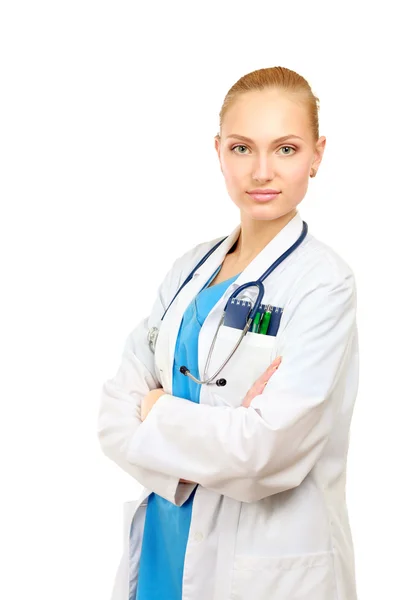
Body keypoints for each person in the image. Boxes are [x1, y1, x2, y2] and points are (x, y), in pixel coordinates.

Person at [97, 66, 359, 600]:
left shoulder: (324, 284)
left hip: (263, 567)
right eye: (242, 148)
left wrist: (157, 411)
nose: (261, 171)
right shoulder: (187, 271)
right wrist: (217, 432)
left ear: (317, 154)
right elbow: (111, 418)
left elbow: (266, 454)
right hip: (166, 549)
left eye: (285, 149)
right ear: (218, 152)